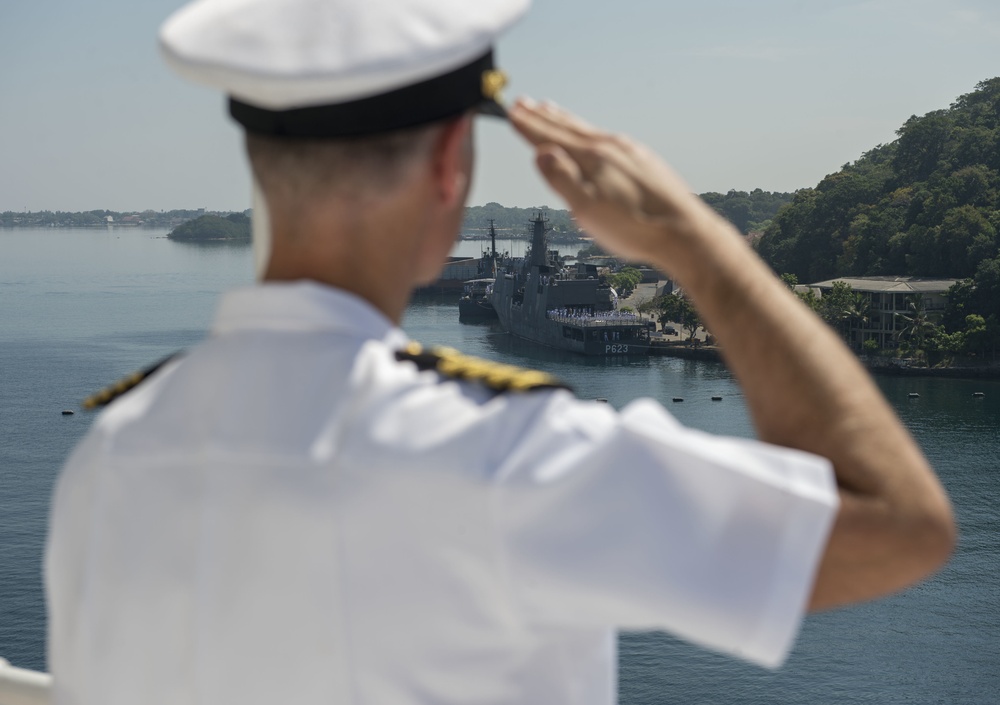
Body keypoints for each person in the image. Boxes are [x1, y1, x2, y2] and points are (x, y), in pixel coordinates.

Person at [45, 1, 955, 705]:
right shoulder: (502, 459)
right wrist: (698, 243)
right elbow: (904, 529)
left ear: (259, 163)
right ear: (452, 164)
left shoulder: (110, 459)